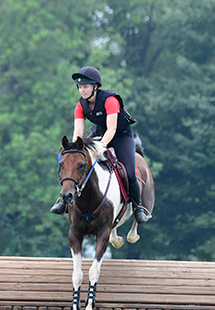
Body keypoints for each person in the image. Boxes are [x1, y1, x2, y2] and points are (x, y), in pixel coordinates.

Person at [50, 66, 147, 224]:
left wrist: (100, 148)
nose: (82, 90)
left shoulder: (110, 100)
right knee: (75, 164)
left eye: (85, 87)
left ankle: (138, 207)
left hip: (120, 136)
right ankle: (63, 201)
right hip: (98, 134)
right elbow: (78, 133)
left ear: (95, 86)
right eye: (80, 87)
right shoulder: (80, 106)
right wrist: (75, 149)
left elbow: (112, 128)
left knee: (129, 172)